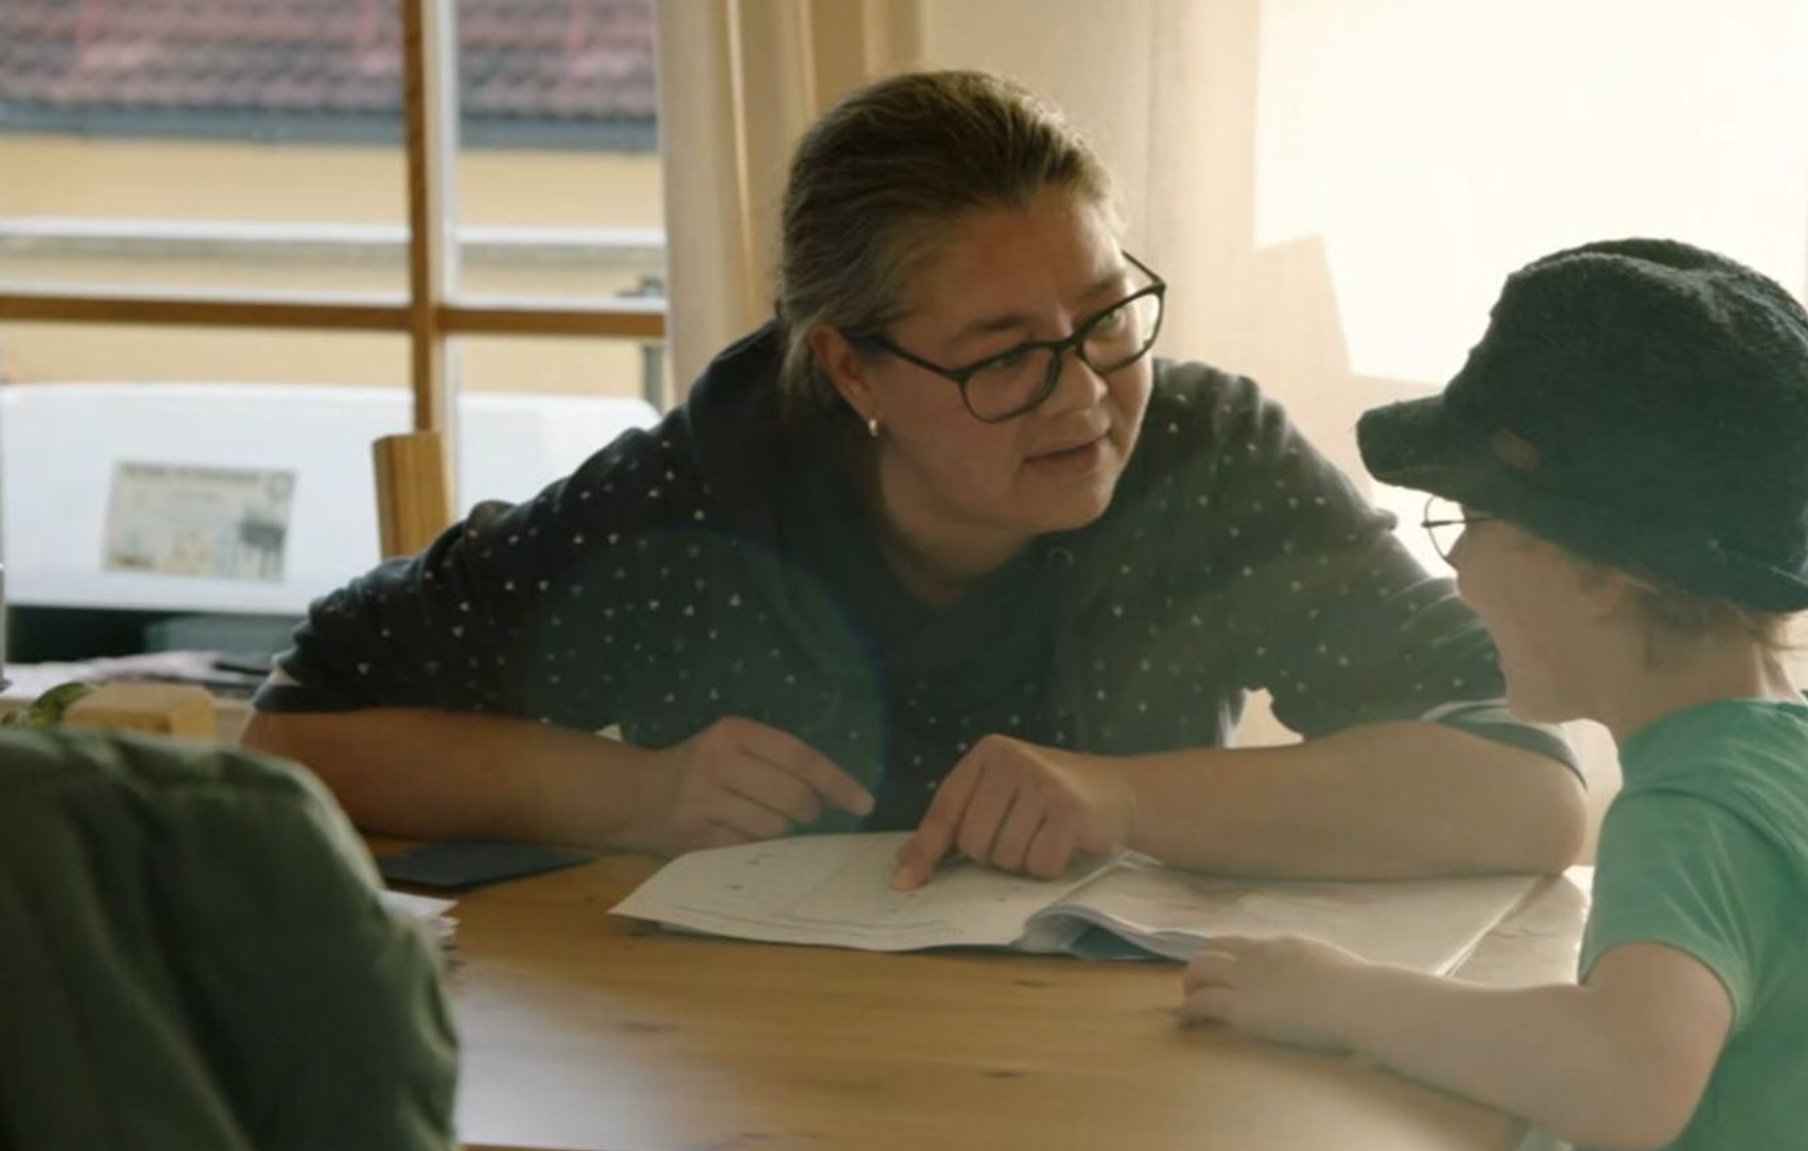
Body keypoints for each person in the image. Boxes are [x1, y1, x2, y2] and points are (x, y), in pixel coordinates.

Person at [241, 70, 1583, 887]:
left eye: (1108, 318)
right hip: (764, 1072)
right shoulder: (706, 494)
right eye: (1002, 357)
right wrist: (632, 793)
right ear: (853, 370)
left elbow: (1533, 786)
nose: (1083, 395)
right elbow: (297, 738)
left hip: (1114, 1070)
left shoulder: (1203, 458)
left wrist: (1128, 795)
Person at [1181, 239, 1808, 1149]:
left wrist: (1339, 998)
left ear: (1605, 571)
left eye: (1472, 524)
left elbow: (1627, 1081)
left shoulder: (1695, 811)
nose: (1458, 572)